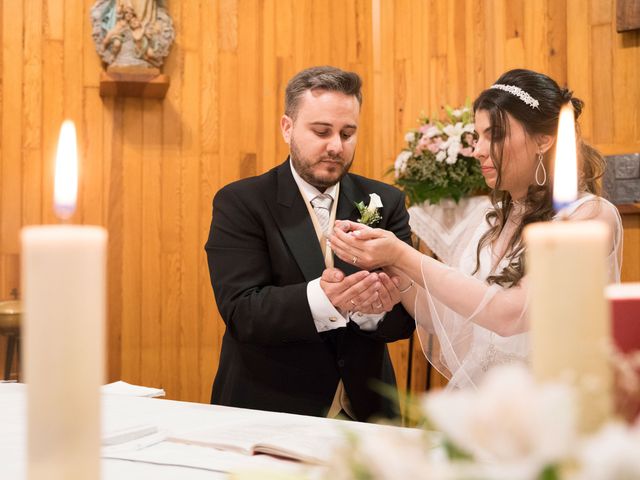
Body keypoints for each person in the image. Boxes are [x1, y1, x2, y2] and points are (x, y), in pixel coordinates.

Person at [328, 68, 623, 390]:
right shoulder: (489, 219)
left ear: (544, 140)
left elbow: (509, 315)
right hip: (485, 400)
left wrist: (401, 252)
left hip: (551, 399)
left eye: (494, 135)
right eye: (477, 136)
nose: (478, 150)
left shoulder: (590, 217)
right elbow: (440, 315)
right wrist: (388, 267)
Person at [205, 66, 415, 421]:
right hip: (269, 409)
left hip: (368, 413)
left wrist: (375, 310)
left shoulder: (385, 201)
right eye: (321, 131)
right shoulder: (242, 202)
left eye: (348, 133)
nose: (336, 145)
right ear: (287, 128)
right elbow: (242, 312)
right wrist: (324, 298)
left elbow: (406, 319)